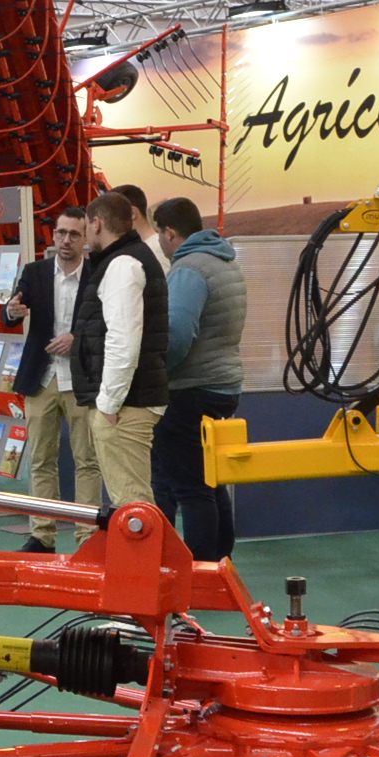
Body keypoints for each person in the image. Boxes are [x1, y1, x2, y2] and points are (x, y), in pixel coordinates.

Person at [151, 197, 247, 561]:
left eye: (159, 234)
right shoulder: (225, 261)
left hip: (190, 389)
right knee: (210, 479)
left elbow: (176, 336)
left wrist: (157, 374)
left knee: (191, 488)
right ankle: (220, 560)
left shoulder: (188, 269)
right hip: (224, 386)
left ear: (169, 233)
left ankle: (200, 570)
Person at [2, 206, 99, 553]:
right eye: (61, 233)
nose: (66, 240)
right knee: (41, 459)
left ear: (85, 238)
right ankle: (42, 536)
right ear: (53, 235)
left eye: (74, 234)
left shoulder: (97, 274)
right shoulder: (35, 272)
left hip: (81, 379)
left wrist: (77, 339)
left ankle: (87, 537)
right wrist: (11, 311)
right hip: (41, 379)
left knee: (87, 460)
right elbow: (12, 310)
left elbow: (107, 324)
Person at [71, 190, 168, 511]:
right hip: (129, 401)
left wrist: (108, 404)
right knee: (134, 505)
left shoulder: (122, 265)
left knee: (134, 509)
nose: (86, 234)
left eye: (86, 226)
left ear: (97, 223)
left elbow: (123, 341)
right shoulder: (125, 260)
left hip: (125, 406)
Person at [112, 183, 168, 266]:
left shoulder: (155, 249)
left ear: (132, 214)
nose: (110, 224)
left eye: (113, 216)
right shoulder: (146, 247)